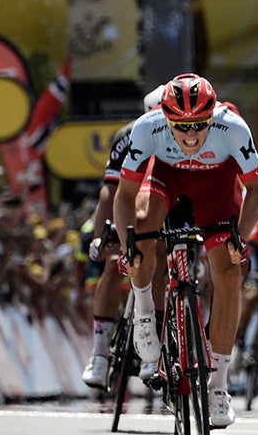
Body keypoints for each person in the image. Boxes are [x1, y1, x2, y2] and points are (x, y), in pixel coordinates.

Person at [115, 73, 258, 429]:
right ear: (164, 117)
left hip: (217, 186)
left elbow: (257, 192)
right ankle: (143, 311)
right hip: (168, 176)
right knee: (141, 226)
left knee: (229, 274)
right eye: (180, 126)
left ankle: (218, 385)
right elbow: (123, 196)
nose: (190, 135)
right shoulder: (147, 127)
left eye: (200, 124)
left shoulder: (233, 128)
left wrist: (240, 238)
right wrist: (128, 246)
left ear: (212, 116)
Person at [81, 84, 166, 388]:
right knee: (114, 262)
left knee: (162, 262)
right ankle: (100, 351)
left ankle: (153, 349)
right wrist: (101, 232)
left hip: (164, 202)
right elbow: (110, 192)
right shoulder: (128, 136)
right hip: (129, 202)